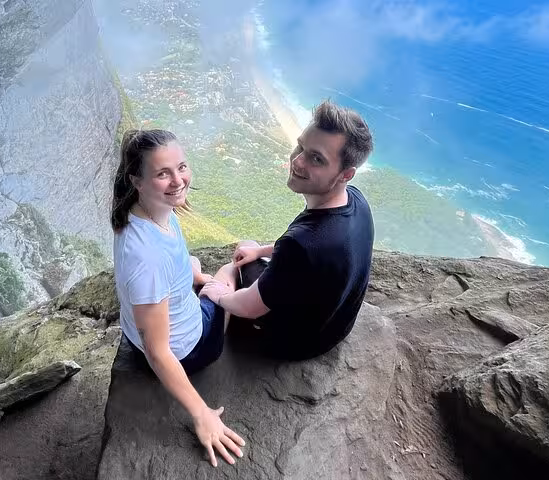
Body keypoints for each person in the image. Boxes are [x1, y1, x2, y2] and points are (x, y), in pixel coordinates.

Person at [200, 100, 375, 360]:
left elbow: (249, 306)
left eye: (316, 158)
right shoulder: (356, 201)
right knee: (250, 248)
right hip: (335, 327)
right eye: (301, 146)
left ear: (345, 175)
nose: (298, 160)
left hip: (291, 344)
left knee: (230, 268)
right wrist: (261, 250)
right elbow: (306, 254)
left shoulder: (303, 244)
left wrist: (222, 295)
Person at [111, 129, 244, 467]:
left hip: (157, 324)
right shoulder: (147, 259)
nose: (178, 180)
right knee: (231, 272)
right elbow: (158, 352)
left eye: (181, 167)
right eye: (162, 173)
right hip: (190, 348)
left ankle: (201, 278)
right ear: (136, 181)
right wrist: (201, 413)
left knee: (197, 268)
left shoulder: (144, 212)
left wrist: (192, 275)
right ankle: (218, 284)